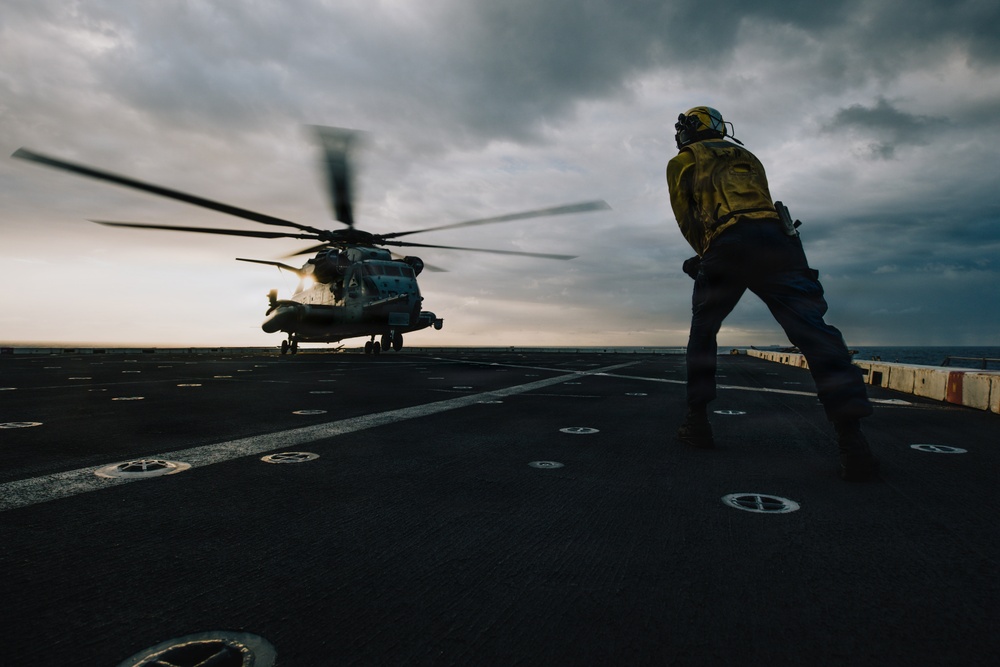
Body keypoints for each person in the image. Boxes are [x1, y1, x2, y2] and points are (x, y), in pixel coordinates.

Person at [666, 106, 878, 482]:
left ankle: (696, 423)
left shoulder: (683, 161)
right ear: (718, 128)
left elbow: (688, 217)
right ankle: (852, 439)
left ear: (687, 130)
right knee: (815, 332)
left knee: (703, 333)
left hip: (728, 243)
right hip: (779, 243)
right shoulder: (748, 156)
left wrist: (703, 257)